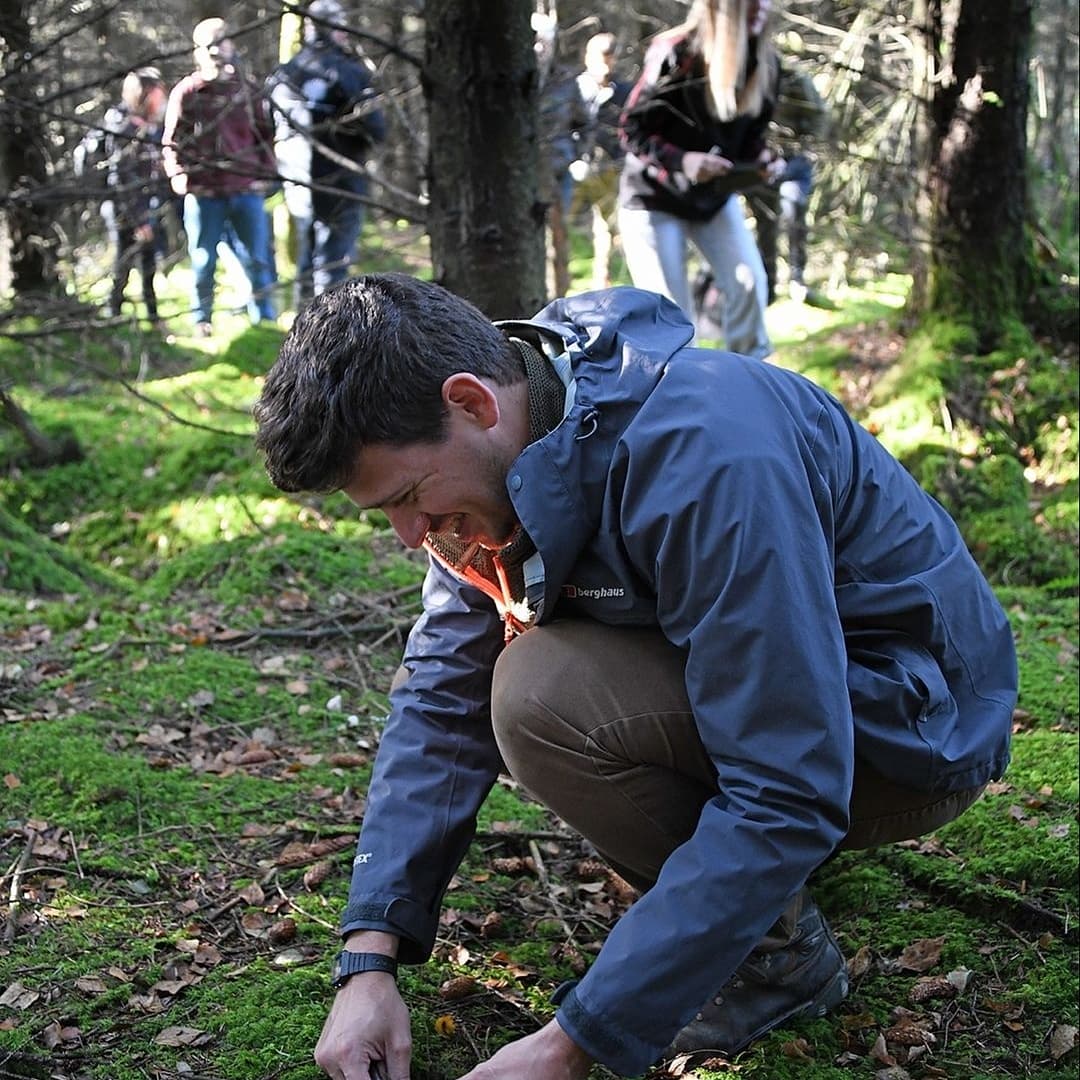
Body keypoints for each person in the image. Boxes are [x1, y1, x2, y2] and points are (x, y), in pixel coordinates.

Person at [253, 273, 1017, 1080]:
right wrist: (369, 958)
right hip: (787, 702)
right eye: (388, 513)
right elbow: (441, 697)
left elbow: (790, 786)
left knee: (539, 698)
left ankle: (778, 960)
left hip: (911, 729)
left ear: (473, 402)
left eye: (408, 496)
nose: (410, 535)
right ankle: (747, 891)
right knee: (517, 682)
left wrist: (574, 1043)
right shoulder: (494, 467)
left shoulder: (706, 451)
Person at [618, 0, 785, 358]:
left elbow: (747, 138)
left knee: (749, 283)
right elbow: (632, 129)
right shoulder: (678, 54)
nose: (762, 6)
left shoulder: (767, 63)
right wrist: (683, 161)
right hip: (653, 198)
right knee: (671, 319)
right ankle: (684, 398)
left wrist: (761, 160)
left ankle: (752, 384)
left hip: (712, 201)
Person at [162, 17, 278, 337]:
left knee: (257, 258)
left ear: (232, 45)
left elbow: (265, 138)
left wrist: (263, 175)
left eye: (220, 42)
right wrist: (180, 177)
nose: (215, 50)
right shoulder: (188, 92)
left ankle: (264, 321)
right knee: (203, 261)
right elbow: (171, 142)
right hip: (205, 194)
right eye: (207, 45)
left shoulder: (249, 92)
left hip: (245, 191)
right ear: (198, 51)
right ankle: (202, 320)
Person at [267, 0, 386, 309]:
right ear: (338, 29)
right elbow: (377, 129)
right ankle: (327, 330)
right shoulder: (350, 73)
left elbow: (268, 128)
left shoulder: (284, 74)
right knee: (333, 260)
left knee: (310, 256)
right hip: (341, 180)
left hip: (297, 181)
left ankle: (303, 325)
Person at [94, 68, 170, 329]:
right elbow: (121, 180)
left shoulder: (147, 128)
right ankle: (113, 316)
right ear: (144, 95)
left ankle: (153, 319)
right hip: (123, 211)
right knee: (123, 265)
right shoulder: (123, 127)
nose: (162, 101)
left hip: (144, 209)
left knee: (148, 265)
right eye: (158, 95)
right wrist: (139, 221)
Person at [746, 62, 828, 304]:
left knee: (794, 211)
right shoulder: (751, 81)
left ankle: (797, 279)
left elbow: (818, 115)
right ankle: (768, 285)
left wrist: (804, 147)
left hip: (794, 161)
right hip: (761, 163)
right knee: (766, 224)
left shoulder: (797, 82)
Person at [534, 12, 590, 298]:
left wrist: (577, 154)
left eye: (545, 40)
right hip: (523, 176)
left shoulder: (566, 81)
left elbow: (584, 122)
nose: (540, 46)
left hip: (558, 171)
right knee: (530, 244)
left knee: (558, 241)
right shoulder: (517, 81)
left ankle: (559, 300)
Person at [570, 32, 632, 290]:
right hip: (576, 169)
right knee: (562, 226)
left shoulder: (624, 91)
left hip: (611, 170)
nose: (605, 65)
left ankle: (604, 282)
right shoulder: (574, 89)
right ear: (588, 57)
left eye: (610, 59)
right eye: (600, 58)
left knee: (609, 228)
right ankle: (558, 284)